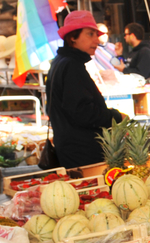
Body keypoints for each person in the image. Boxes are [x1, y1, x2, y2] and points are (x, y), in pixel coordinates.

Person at [46, 11, 126, 169]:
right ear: (73, 37)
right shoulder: (71, 66)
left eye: (96, 35)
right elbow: (83, 112)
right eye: (90, 34)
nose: (96, 40)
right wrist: (115, 116)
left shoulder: (61, 62)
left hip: (70, 147)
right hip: (81, 151)